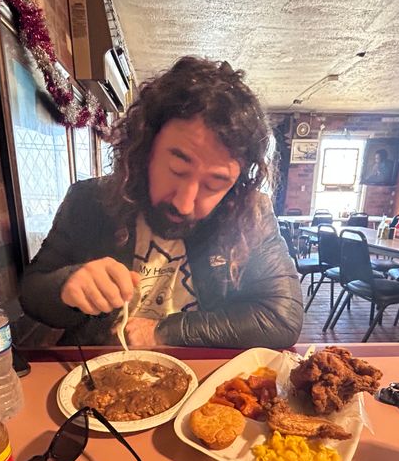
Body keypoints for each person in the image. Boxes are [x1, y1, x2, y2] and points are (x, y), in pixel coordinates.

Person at [20, 56, 303, 348]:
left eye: (214, 184)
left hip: (204, 372)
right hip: (101, 365)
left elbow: (282, 318)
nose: (184, 203)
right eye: (177, 170)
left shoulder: (249, 214)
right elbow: (32, 291)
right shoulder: (88, 200)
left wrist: (163, 331)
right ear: (145, 147)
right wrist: (68, 285)